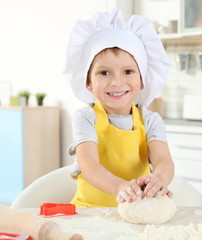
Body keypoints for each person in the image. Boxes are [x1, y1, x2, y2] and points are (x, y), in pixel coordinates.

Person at [63, 8, 174, 208]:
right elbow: (88, 165)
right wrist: (120, 187)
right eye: (104, 72)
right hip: (89, 212)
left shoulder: (150, 120)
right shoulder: (86, 118)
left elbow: (163, 159)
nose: (116, 82)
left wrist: (159, 179)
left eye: (128, 71)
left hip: (135, 212)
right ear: (88, 81)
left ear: (142, 80)